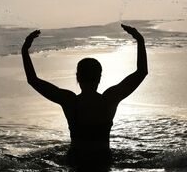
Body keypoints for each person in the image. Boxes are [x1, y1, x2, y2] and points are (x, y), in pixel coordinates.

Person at [21, 24, 148, 159]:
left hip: (75, 161)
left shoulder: (69, 100)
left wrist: (25, 50)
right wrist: (140, 40)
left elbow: (32, 80)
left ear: (77, 77)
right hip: (102, 160)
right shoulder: (109, 99)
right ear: (99, 77)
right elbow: (141, 72)